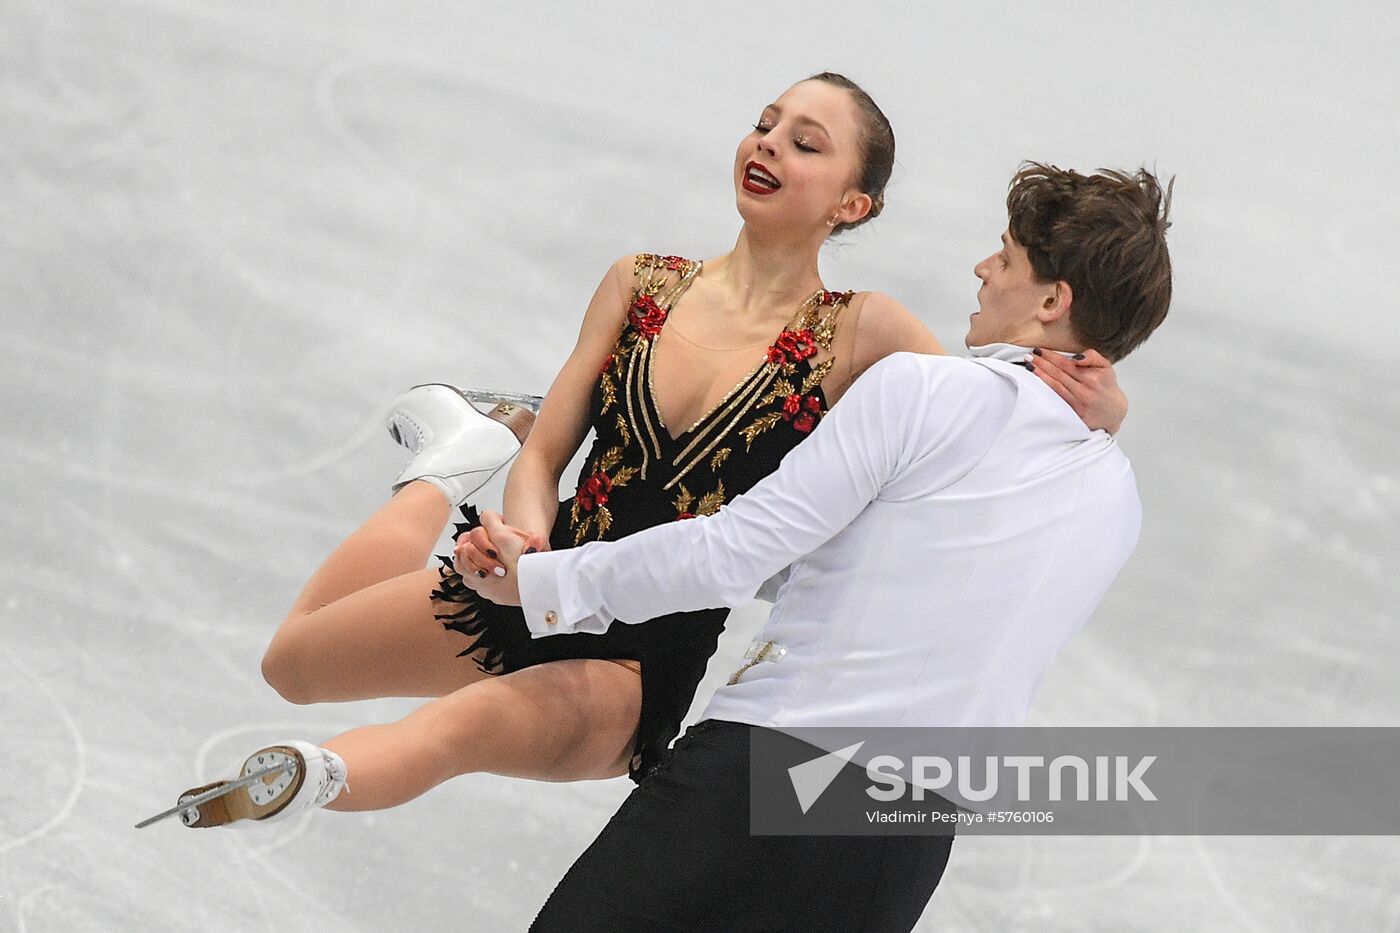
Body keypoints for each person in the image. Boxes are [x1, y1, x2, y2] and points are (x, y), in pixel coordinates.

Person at [163, 75, 1124, 831]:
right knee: (291, 664)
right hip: (535, 577)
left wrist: (1104, 410)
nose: (767, 145)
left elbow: (986, 414)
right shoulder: (641, 282)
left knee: (457, 729)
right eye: (765, 122)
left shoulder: (866, 334)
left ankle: (316, 774)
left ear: (855, 204)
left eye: (806, 142)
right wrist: (523, 539)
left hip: (635, 661)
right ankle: (443, 471)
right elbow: (545, 451)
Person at [460, 161, 1174, 931]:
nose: (983, 268)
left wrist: (541, 581)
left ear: (1051, 300)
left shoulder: (923, 391)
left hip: (771, 771)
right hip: (906, 841)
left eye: (1005, 256)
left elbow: (734, 553)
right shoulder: (1118, 496)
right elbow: (882, 567)